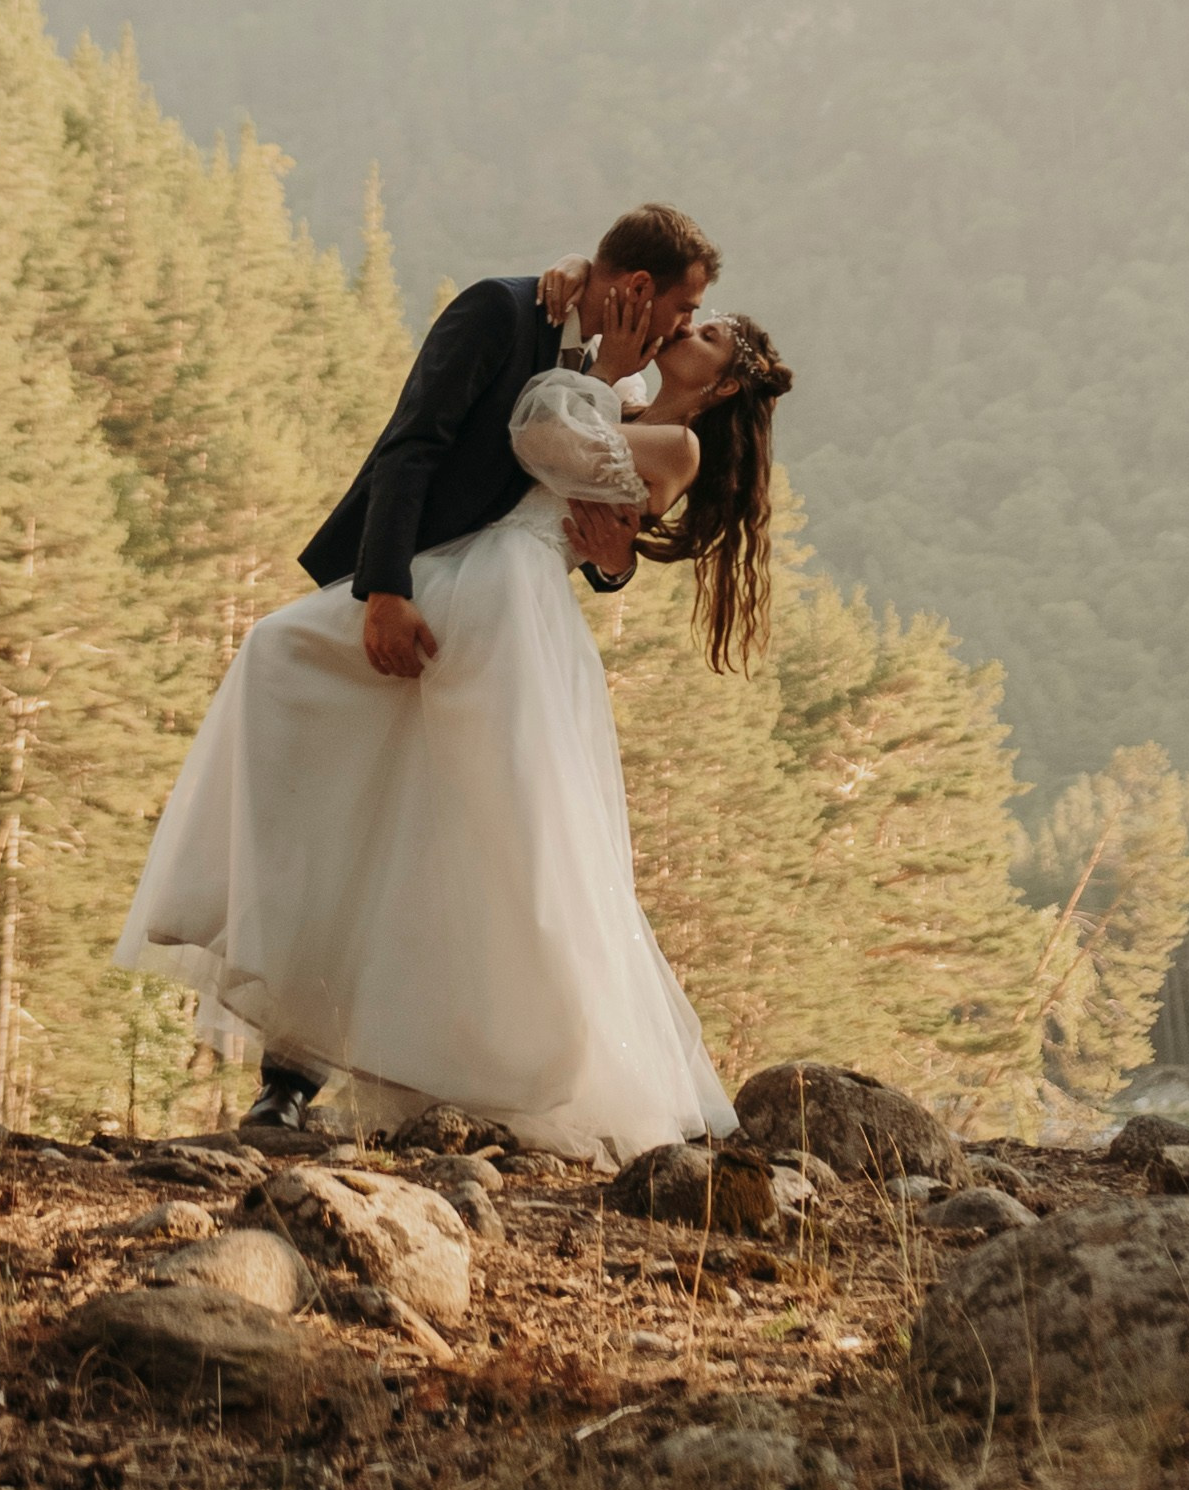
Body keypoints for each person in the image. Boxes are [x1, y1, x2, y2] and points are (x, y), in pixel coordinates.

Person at [113, 202, 794, 1167]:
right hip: (452, 579)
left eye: (705, 328)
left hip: (509, 608)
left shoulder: (664, 433)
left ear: (722, 383)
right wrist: (386, 586)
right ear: (638, 291)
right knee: (303, 700)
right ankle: (292, 1057)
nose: (686, 325)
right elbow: (432, 448)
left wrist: (609, 540)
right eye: (689, 308)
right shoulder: (567, 347)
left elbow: (545, 443)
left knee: (495, 834)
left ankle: (510, 1065)